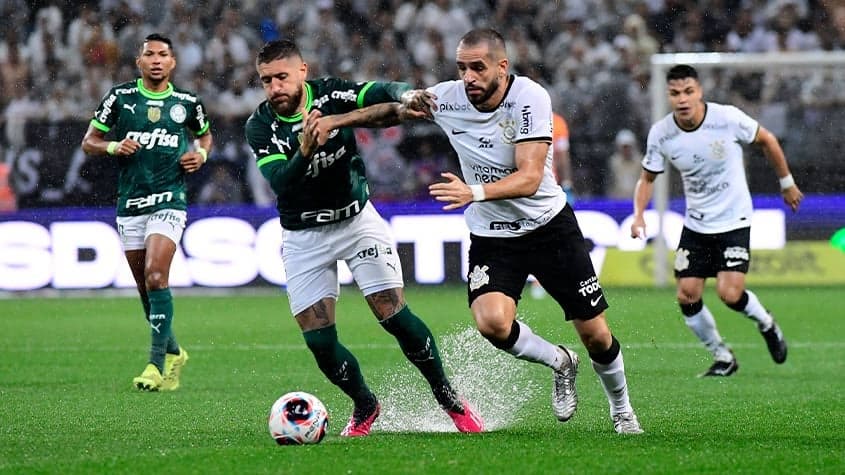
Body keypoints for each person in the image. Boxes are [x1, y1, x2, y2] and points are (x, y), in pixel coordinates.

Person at [396, 28, 642, 434]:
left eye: (477, 67)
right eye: (462, 68)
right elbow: (392, 111)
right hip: (494, 234)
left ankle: (622, 410)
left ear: (501, 66)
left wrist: (472, 191)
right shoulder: (447, 97)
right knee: (492, 322)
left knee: (596, 335)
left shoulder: (530, 97)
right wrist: (339, 120)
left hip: (549, 227)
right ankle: (560, 361)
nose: (468, 76)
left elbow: (529, 179)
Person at [244, 39, 483, 437]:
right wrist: (303, 151)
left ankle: (449, 399)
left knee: (393, 315)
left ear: (302, 71)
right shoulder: (260, 126)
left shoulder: (331, 94)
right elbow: (281, 184)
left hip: (356, 222)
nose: (274, 89)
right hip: (304, 236)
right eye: (266, 81)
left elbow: (375, 92)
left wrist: (405, 93)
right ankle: (366, 405)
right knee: (320, 345)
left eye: (281, 77)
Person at [630, 64, 803, 377]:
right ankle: (723, 356)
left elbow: (769, 141)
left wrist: (787, 182)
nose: (682, 99)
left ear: (699, 92)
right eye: (674, 93)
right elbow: (647, 178)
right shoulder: (662, 133)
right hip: (696, 224)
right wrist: (639, 215)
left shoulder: (727, 118)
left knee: (730, 294)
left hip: (734, 219)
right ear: (667, 96)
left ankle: (766, 323)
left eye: (688, 92)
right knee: (686, 294)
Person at [81, 33, 212, 391]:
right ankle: (175, 352)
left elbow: (205, 136)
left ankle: (155, 365)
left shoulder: (187, 102)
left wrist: (200, 154)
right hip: (130, 205)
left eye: (163, 54)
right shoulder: (121, 98)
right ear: (139, 62)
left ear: (173, 63)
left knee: (156, 276)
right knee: (145, 291)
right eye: (149, 54)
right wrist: (112, 145)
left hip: (169, 201)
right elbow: (88, 141)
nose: (156, 60)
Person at [530, 111, 572, 299]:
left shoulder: (513, 114)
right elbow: (562, 155)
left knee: (536, 234)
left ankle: (540, 280)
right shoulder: (556, 121)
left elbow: (562, 154)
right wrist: (568, 182)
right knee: (548, 234)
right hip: (544, 186)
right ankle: (547, 279)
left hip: (535, 185)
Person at [607, 129, 642, 199]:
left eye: (628, 147)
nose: (626, 150)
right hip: (618, 202)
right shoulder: (613, 162)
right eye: (624, 147)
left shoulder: (641, 162)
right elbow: (610, 185)